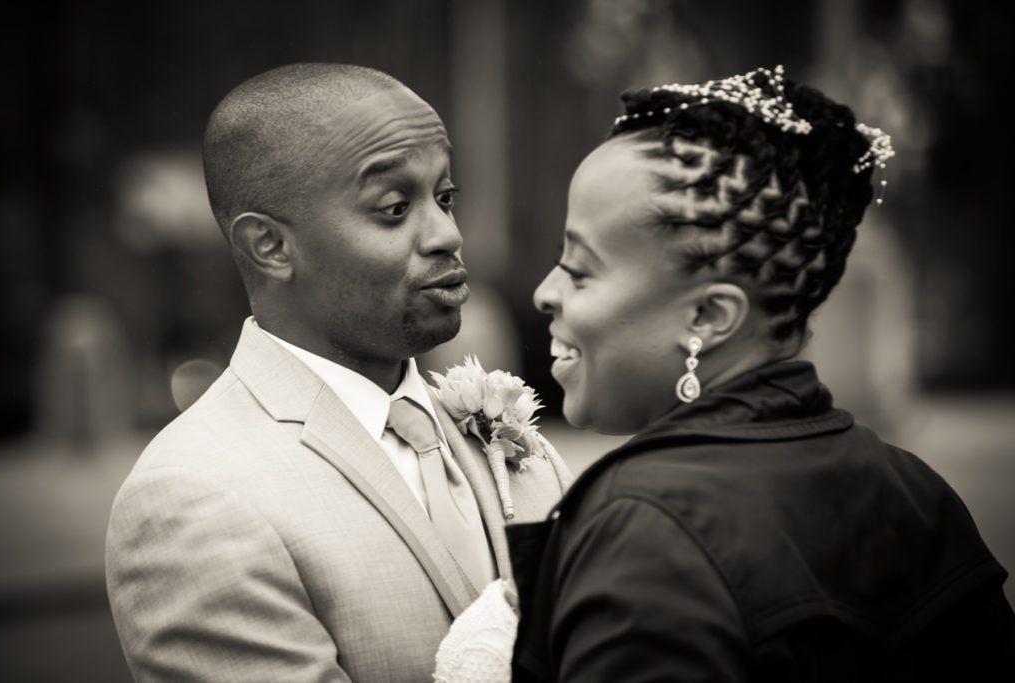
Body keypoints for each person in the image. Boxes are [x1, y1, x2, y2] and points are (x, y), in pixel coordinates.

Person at [502, 66, 1015, 681]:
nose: (544, 292)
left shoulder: (650, 529)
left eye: (580, 270)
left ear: (710, 315)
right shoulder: (915, 490)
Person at [104, 63, 571, 682]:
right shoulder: (193, 498)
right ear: (270, 247)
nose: (447, 234)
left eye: (445, 197)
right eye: (395, 207)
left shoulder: (517, 440)